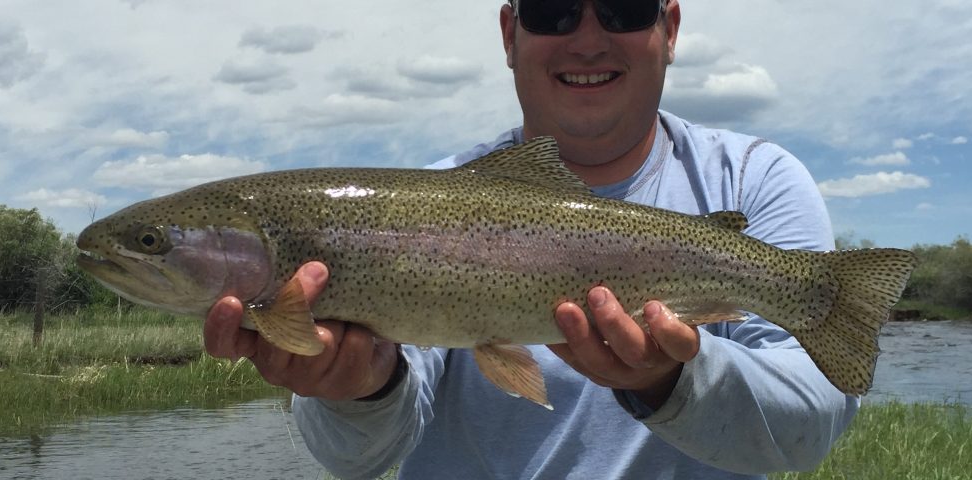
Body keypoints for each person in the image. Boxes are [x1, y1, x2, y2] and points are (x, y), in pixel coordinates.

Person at [204, 1, 857, 478]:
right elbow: (362, 459)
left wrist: (674, 380)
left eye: (624, 8)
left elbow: (811, 430)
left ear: (671, 27)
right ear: (510, 32)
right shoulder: (422, 204)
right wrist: (360, 392)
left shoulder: (751, 179)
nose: (589, 39)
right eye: (553, 11)